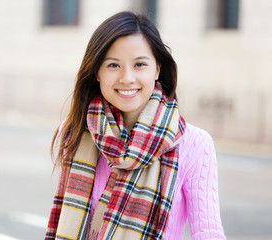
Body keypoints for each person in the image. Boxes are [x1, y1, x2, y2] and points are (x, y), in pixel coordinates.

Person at [45, 11, 226, 240]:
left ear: (157, 68)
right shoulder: (75, 131)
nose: (127, 78)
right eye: (113, 65)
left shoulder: (195, 144)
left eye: (140, 64)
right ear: (97, 72)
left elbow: (208, 234)